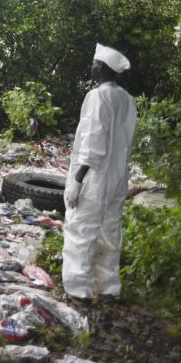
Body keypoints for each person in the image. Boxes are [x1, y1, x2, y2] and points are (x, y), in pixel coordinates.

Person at [62, 43, 137, 303]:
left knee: (80, 232)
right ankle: (109, 289)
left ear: (102, 68)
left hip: (94, 176)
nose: (91, 68)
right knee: (109, 233)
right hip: (118, 177)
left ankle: (78, 291)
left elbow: (94, 143)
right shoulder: (127, 99)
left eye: (94, 64)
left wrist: (78, 181)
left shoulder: (98, 96)